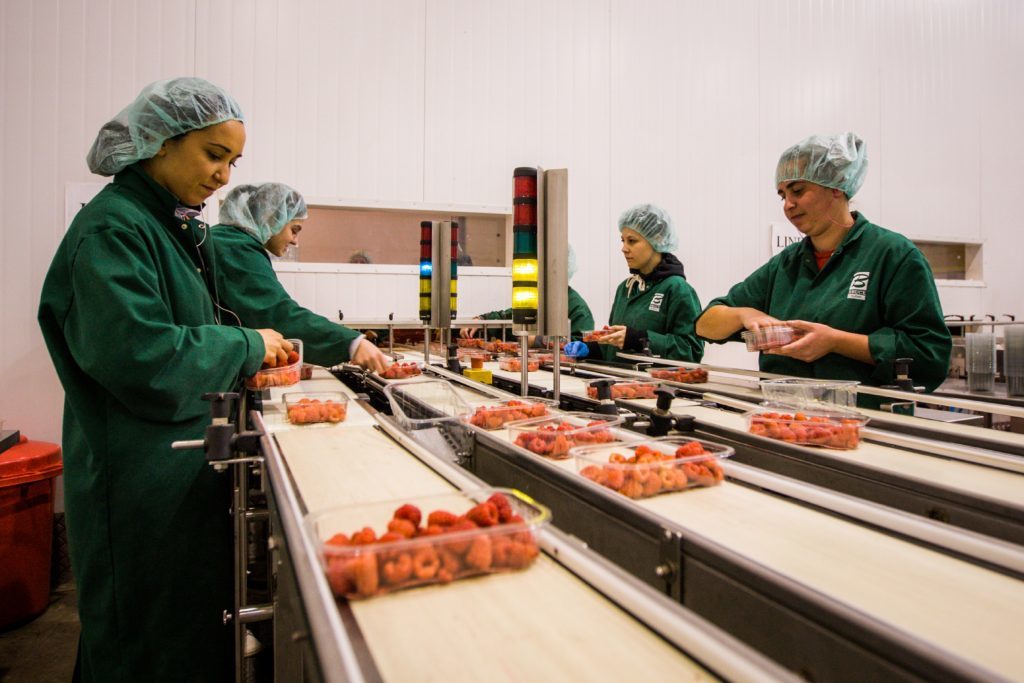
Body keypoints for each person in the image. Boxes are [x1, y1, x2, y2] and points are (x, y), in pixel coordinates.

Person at [37, 78, 289, 682]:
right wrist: (247, 344)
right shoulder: (113, 231)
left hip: (172, 471)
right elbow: (141, 356)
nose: (223, 176)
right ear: (157, 142)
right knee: (139, 644)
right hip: (135, 484)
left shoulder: (167, 229)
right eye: (212, 154)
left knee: (167, 634)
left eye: (233, 161)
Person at [695, 132, 951, 403]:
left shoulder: (893, 256)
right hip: (784, 420)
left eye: (798, 191)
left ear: (837, 187)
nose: (788, 205)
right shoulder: (786, 264)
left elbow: (929, 355)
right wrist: (744, 314)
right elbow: (704, 325)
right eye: (782, 195)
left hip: (861, 425)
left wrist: (835, 341)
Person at [213, 182, 388, 373]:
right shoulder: (235, 248)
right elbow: (276, 314)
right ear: (270, 217)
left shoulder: (232, 242)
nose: (295, 241)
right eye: (294, 229)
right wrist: (353, 344)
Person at [566, 205, 704, 363]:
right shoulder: (626, 289)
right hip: (622, 384)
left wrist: (639, 339)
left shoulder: (676, 289)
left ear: (657, 239)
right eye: (623, 240)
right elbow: (616, 348)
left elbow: (691, 351)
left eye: (632, 241)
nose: (624, 248)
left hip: (656, 385)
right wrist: (590, 348)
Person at [460, 243, 595, 343]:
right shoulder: (536, 299)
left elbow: (582, 346)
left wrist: (537, 340)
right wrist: (481, 321)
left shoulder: (577, 308)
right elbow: (509, 317)